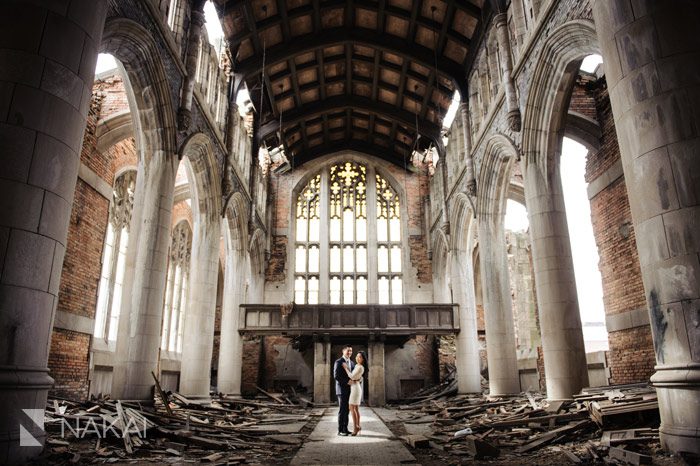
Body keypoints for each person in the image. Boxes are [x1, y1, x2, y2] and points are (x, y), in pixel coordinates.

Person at [343, 351, 366, 436]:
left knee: (352, 408)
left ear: (363, 359)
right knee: (355, 409)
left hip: (356, 388)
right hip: (354, 387)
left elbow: (352, 376)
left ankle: (355, 428)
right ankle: (358, 426)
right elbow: (359, 378)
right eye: (357, 356)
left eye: (359, 357)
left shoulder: (360, 367)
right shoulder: (356, 366)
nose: (357, 358)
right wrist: (355, 379)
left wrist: (346, 368)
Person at [333, 345, 354, 436]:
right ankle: (340, 430)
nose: (349, 353)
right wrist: (347, 382)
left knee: (347, 410)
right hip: (341, 390)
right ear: (343, 351)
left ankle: (345, 428)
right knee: (342, 410)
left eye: (351, 351)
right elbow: (336, 376)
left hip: (350, 390)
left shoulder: (352, 363)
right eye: (348, 351)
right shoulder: (338, 362)